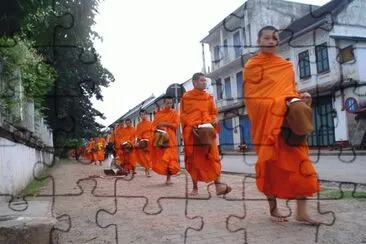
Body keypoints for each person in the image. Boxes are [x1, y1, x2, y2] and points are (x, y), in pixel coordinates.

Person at [243, 25, 320, 224]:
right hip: (267, 126)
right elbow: (252, 100)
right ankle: (274, 209)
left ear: (278, 42)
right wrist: (280, 102)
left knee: (303, 167)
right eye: (266, 38)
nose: (270, 41)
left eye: (274, 38)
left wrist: (301, 96)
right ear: (258, 41)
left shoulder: (285, 66)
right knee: (269, 168)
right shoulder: (252, 66)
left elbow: (291, 90)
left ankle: (301, 212)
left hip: (287, 124)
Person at [180, 72, 232, 196]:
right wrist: (191, 125)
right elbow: (183, 115)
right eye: (202, 80)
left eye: (205, 81)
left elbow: (213, 112)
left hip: (207, 131)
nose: (204, 83)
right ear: (194, 82)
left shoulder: (209, 97)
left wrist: (215, 119)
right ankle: (195, 188)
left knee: (213, 157)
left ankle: (218, 186)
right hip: (193, 132)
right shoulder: (186, 97)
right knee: (194, 160)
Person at [151, 95, 180, 185]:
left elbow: (176, 125)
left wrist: (165, 124)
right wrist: (158, 127)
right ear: (164, 103)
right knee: (162, 157)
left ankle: (169, 178)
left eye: (170, 103)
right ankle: (164, 173)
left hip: (170, 138)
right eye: (167, 103)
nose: (169, 105)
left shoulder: (174, 113)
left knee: (170, 157)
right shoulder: (158, 114)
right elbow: (153, 126)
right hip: (160, 137)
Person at [135, 109, 154, 177]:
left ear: (146, 114)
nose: (143, 116)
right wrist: (137, 142)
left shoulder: (150, 123)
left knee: (148, 157)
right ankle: (147, 170)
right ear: (140, 116)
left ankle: (147, 169)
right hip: (142, 142)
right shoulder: (139, 125)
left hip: (149, 142)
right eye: (141, 115)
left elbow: (153, 132)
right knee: (144, 157)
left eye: (144, 114)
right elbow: (137, 134)